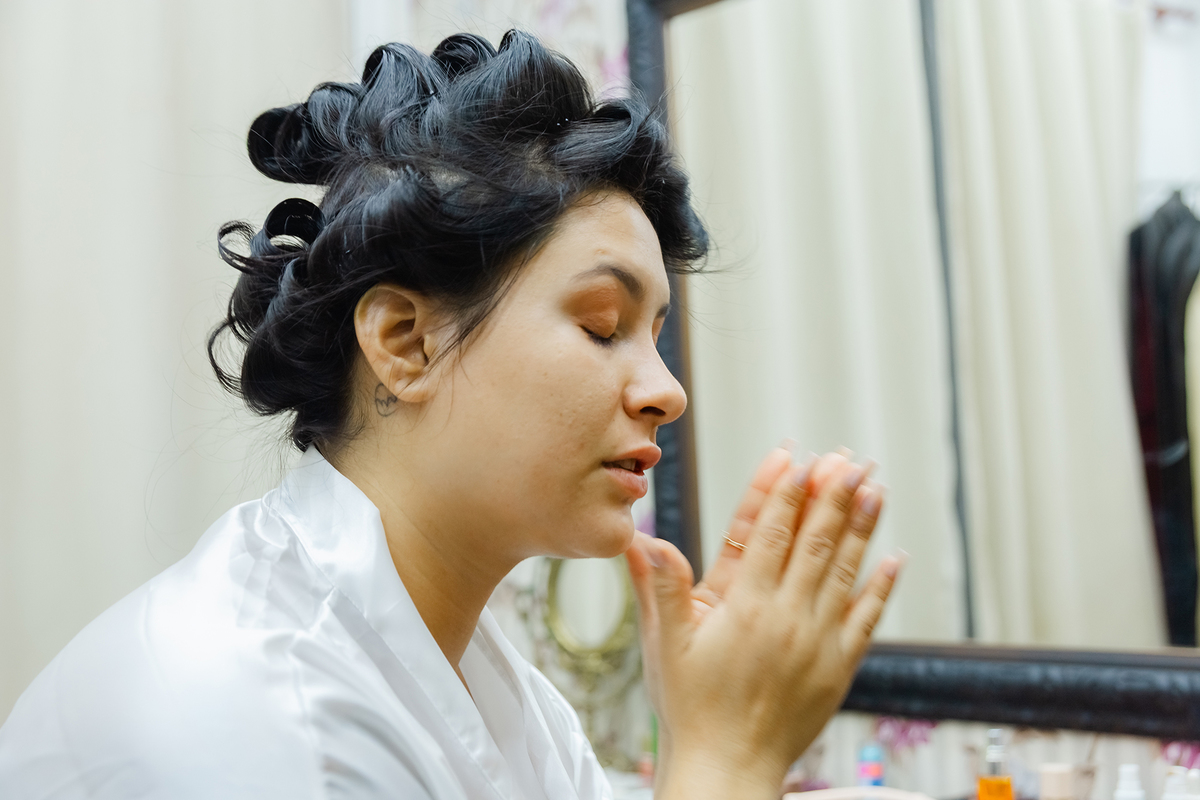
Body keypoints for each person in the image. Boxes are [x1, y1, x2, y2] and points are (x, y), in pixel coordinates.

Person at [0, 31, 901, 800]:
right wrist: (725, 757)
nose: (667, 391)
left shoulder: (498, 694)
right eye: (602, 325)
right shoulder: (258, 714)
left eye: (655, 336)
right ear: (406, 342)